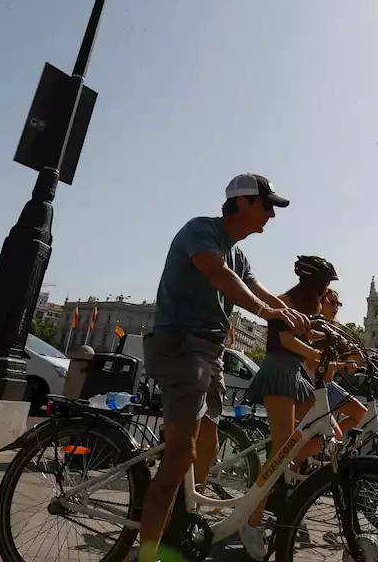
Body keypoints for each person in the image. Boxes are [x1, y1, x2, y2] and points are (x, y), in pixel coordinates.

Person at [136, 174, 308, 562]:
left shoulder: (238, 252)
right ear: (244, 203)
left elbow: (256, 286)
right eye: (268, 206)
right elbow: (219, 275)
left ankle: (178, 521)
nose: (271, 216)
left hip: (210, 352)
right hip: (181, 345)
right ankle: (148, 552)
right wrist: (267, 313)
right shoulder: (202, 231)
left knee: (207, 446)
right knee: (181, 453)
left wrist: (294, 313)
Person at [239, 254, 342, 559]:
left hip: (294, 375)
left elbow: (307, 334)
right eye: (324, 283)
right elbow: (286, 338)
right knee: (281, 451)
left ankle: (282, 486)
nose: (327, 290)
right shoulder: (285, 300)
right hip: (279, 374)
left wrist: (328, 338)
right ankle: (251, 520)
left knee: (314, 433)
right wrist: (316, 352)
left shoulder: (309, 304)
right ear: (312, 280)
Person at [316, 288, 368, 439]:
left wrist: (369, 360)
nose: (335, 307)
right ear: (321, 303)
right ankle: (323, 442)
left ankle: (324, 440)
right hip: (315, 386)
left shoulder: (333, 329)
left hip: (329, 386)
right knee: (335, 435)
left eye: (338, 304)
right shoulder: (317, 327)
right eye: (332, 303)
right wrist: (343, 366)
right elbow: (317, 362)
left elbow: (349, 352)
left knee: (361, 413)